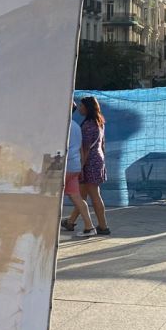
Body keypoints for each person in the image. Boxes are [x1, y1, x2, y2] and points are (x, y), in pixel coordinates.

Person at [67, 96, 110, 236]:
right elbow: (102, 144)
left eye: (81, 106)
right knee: (81, 194)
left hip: (89, 162)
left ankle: (103, 226)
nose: (79, 108)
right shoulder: (99, 122)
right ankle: (71, 221)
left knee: (94, 194)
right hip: (97, 160)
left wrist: (81, 166)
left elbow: (84, 148)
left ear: (87, 107)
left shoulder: (88, 125)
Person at [61, 104, 95, 239]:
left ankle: (44, 226)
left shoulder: (63, 125)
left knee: (51, 196)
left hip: (64, 166)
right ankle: (89, 226)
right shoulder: (76, 126)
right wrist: (80, 165)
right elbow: (80, 148)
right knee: (77, 197)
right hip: (74, 166)